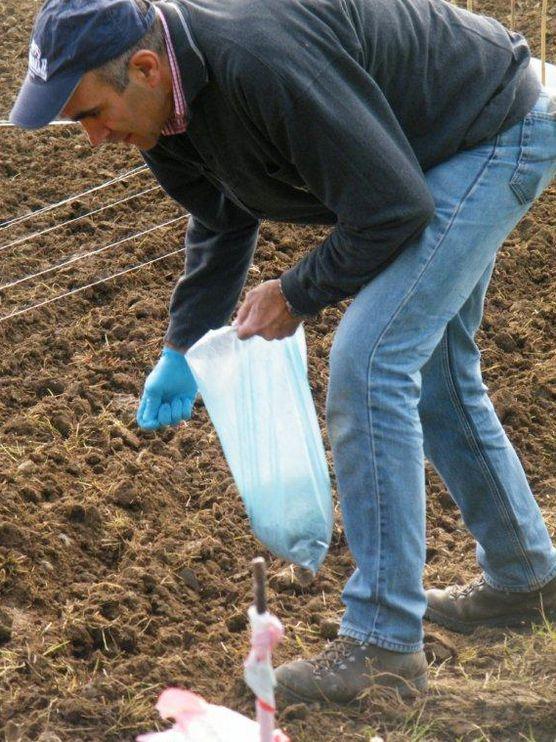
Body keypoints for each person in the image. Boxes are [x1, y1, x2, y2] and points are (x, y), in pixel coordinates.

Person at [11, 0, 556, 704]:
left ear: (143, 68)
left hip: (495, 125)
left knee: (370, 361)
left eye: (88, 114)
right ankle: (525, 580)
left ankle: (385, 646)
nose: (91, 138)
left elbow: (393, 208)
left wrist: (295, 293)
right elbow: (222, 215)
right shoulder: (164, 109)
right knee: (432, 368)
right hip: (429, 141)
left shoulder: (257, 62)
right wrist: (183, 345)